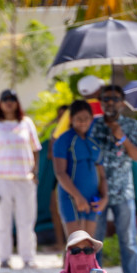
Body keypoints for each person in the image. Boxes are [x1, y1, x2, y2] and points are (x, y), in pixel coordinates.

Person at [91, 84, 137, 273]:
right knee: (94, 242)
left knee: (129, 243)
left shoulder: (131, 126)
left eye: (115, 99)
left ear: (122, 103)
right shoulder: (92, 125)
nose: (110, 103)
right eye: (106, 99)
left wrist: (121, 136)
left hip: (123, 191)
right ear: (101, 102)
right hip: (96, 192)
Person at [0, 89, 41, 269]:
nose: (9, 102)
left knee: (26, 220)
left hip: (24, 179)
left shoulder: (26, 123)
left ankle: (28, 258)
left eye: (12, 99)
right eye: (5, 99)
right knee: (1, 221)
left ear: (17, 102)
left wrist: (34, 171)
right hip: (1, 179)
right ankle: (4, 258)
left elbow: (36, 148)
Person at [51, 100, 107, 240]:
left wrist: (105, 198)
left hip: (92, 198)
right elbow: (60, 173)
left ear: (91, 118)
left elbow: (102, 175)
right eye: (78, 119)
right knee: (75, 245)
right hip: (71, 197)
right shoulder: (63, 140)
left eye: (86, 119)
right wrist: (78, 197)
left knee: (88, 245)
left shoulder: (94, 141)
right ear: (71, 119)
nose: (83, 122)